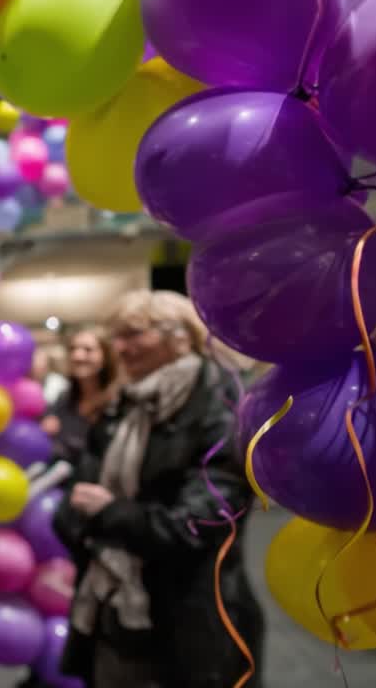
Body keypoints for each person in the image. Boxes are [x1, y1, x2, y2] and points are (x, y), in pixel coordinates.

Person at [52, 290, 264, 688]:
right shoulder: (125, 404)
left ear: (179, 337)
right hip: (112, 614)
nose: (121, 348)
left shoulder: (221, 408)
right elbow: (72, 503)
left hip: (192, 625)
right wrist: (86, 517)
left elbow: (200, 524)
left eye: (133, 334)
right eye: (118, 336)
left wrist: (109, 513)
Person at [42, 326, 120, 465]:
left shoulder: (118, 401)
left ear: (105, 356)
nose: (77, 356)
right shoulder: (64, 399)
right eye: (73, 349)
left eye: (88, 350)